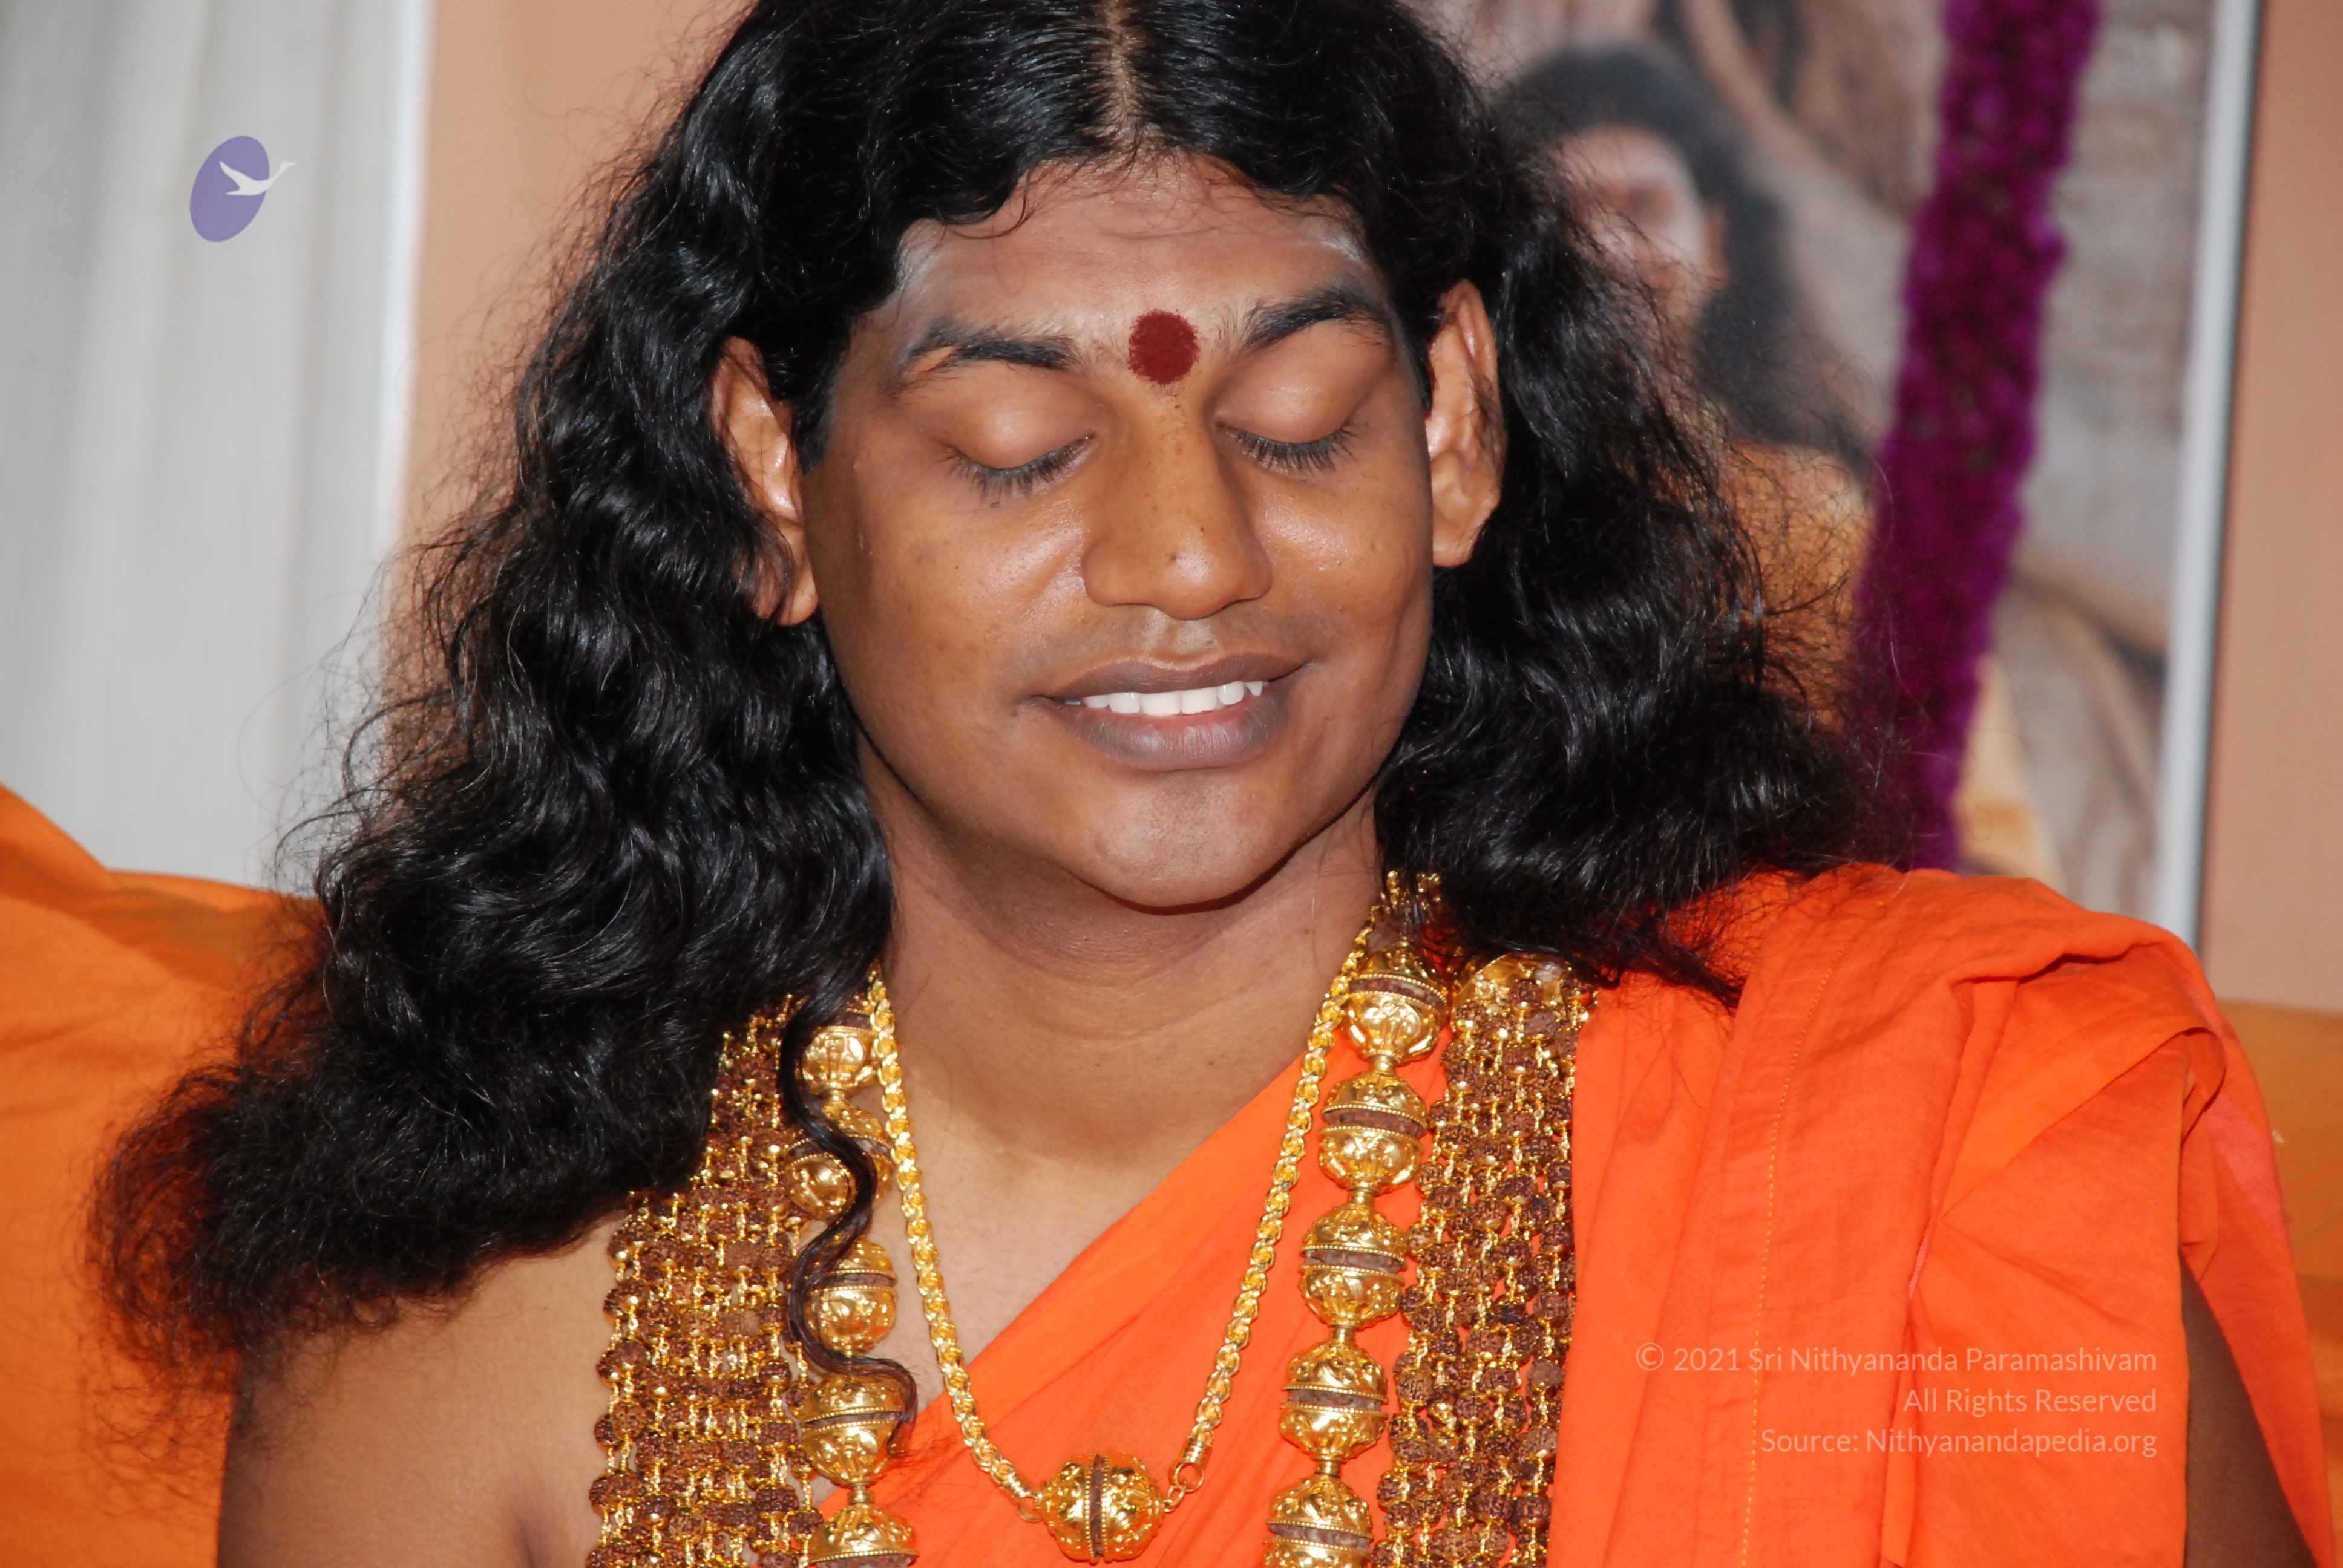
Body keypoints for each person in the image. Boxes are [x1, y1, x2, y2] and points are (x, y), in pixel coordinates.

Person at [55, 2, 2325, 1565]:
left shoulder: (1909, 1150)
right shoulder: (472, 1303)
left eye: (1296, 425)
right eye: (1018, 445)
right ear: (772, 472)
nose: (1187, 559)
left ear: (1453, 427)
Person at [1503, 44, 2061, 883]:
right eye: (1568, 216)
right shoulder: (1459, 510)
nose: (1610, 248)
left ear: (1716, 245)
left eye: (1644, 207)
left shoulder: (1814, 518)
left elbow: (1979, 846)